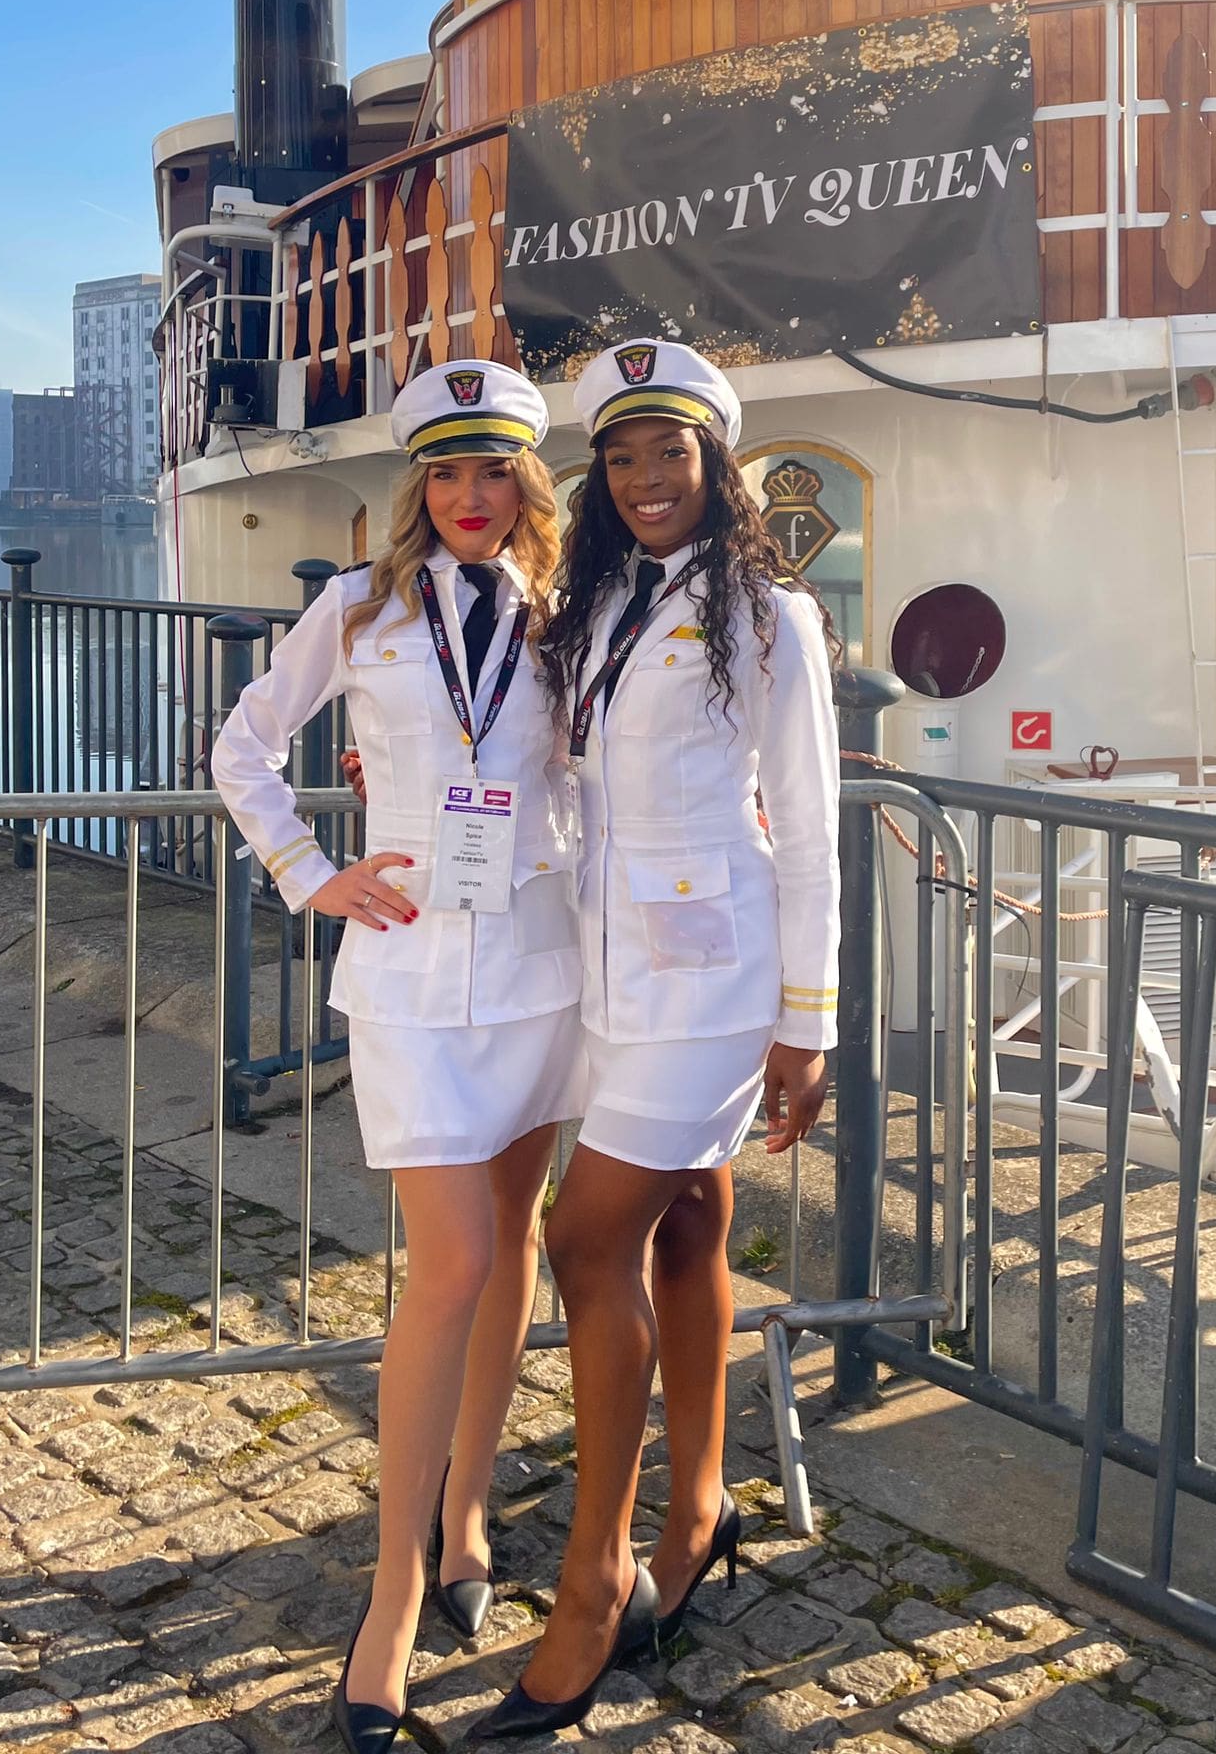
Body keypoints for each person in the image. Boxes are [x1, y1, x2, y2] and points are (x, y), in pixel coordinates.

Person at [210, 359, 585, 1754]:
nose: (471, 497)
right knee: (453, 1263)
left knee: (515, 1239)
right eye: (447, 472)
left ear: (525, 484)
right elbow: (244, 745)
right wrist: (311, 873)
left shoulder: (566, 612)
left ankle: (470, 1506)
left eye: (494, 472)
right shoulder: (359, 609)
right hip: (414, 974)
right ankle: (392, 1593)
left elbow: (597, 783)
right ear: (419, 486)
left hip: (542, 967)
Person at [471, 339, 841, 1739]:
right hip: (611, 971)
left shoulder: (770, 617)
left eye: (669, 453)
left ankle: (595, 1579)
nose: (643, 480)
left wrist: (810, 1019)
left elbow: (809, 827)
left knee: (582, 1242)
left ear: (715, 460)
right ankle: (698, 1507)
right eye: (620, 458)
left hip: (718, 984)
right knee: (686, 1228)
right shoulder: (596, 605)